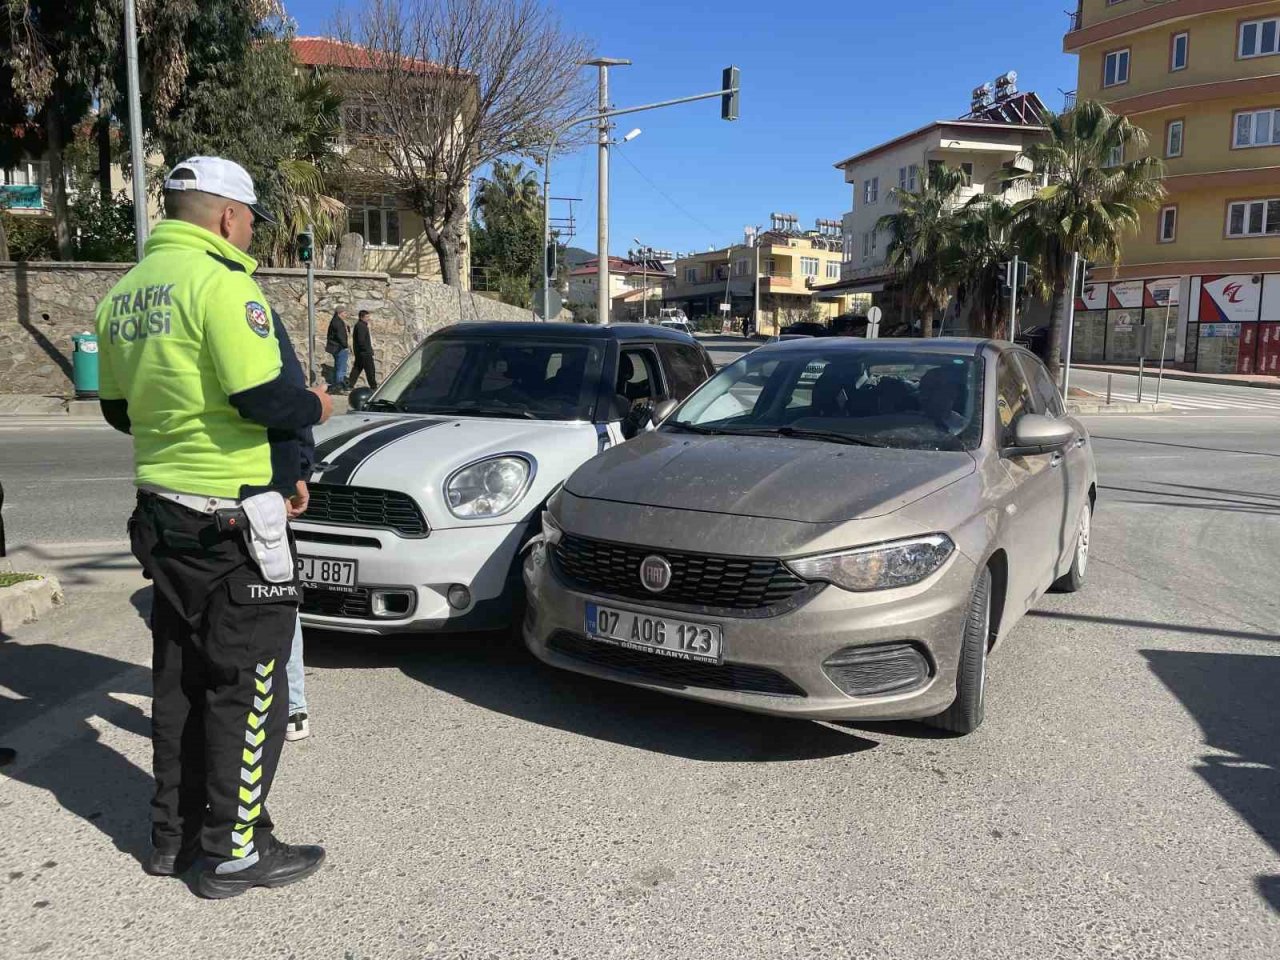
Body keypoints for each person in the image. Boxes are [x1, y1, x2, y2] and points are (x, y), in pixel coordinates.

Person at [94, 155, 333, 899]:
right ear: (229, 216)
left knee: (180, 681)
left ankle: (172, 839)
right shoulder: (224, 286)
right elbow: (267, 397)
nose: (254, 233)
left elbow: (117, 410)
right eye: (252, 220)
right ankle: (234, 850)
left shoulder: (123, 296)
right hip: (231, 523)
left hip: (162, 514)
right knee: (250, 682)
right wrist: (318, 405)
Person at [270, 309, 314, 743]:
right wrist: (295, 472)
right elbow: (287, 398)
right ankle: (291, 706)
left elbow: (120, 410)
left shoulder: (137, 295)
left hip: (170, 492)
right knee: (278, 595)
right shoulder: (243, 299)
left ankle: (292, 703)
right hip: (253, 488)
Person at [346, 309, 377, 390]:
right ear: (361, 317)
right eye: (367, 317)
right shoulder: (361, 326)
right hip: (364, 353)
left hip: (361, 353)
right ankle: (373, 387)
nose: (368, 318)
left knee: (357, 369)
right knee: (370, 370)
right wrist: (367, 350)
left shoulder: (361, 325)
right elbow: (361, 340)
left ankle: (350, 385)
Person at [324, 307, 350, 394]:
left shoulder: (336, 321)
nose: (346, 315)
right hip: (340, 348)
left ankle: (335, 386)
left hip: (336, 348)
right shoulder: (338, 323)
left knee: (338, 367)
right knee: (341, 369)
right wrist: (346, 346)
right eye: (345, 313)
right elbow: (340, 336)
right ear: (340, 313)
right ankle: (339, 387)